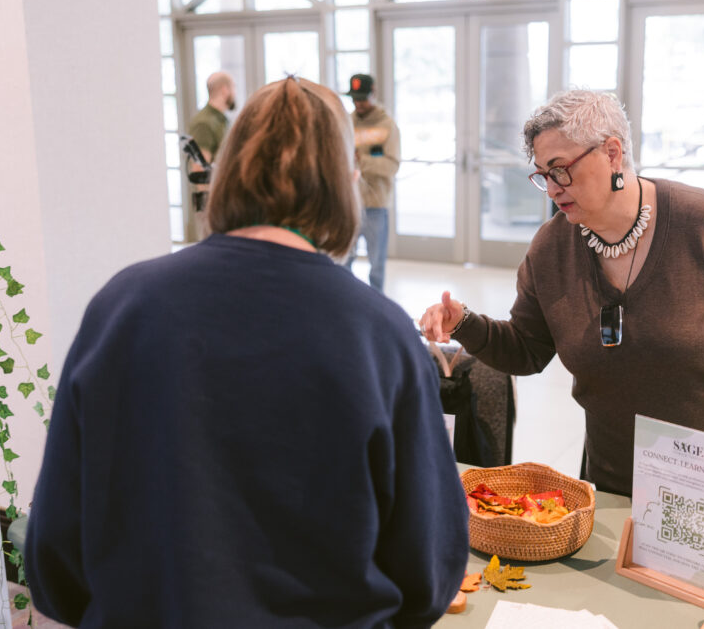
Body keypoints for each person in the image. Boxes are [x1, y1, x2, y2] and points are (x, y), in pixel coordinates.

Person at [25, 77, 468, 627]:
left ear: (228, 172)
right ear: (344, 181)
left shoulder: (121, 307)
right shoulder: (381, 336)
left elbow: (53, 555)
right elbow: (429, 575)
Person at [419, 90, 704, 525]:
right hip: (618, 471)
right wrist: (465, 322)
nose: (551, 188)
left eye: (561, 170)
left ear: (612, 153)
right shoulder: (552, 249)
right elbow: (527, 349)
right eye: (543, 175)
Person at [344, 73, 401, 292]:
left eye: (362, 99)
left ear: (373, 94)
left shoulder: (387, 126)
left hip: (376, 207)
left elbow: (391, 166)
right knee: (344, 260)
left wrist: (361, 161)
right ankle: (346, 299)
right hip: (349, 205)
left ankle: (377, 305)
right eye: (354, 99)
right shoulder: (346, 123)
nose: (358, 103)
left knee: (376, 265)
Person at [186, 71, 236, 237]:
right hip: (210, 203)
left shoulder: (221, 120)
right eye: (233, 88)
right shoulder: (204, 122)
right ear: (224, 90)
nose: (234, 93)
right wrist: (208, 208)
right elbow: (199, 167)